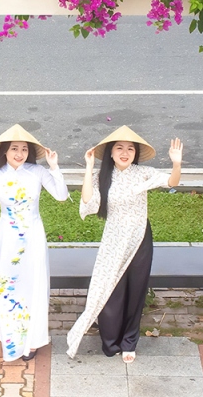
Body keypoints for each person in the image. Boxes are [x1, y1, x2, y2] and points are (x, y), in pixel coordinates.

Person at [65, 126, 183, 362]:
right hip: (114, 239)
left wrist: (176, 163)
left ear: (135, 153)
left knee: (136, 290)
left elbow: (171, 181)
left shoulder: (142, 173)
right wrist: (89, 167)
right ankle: (110, 341)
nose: (125, 153)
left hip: (140, 237)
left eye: (130, 149)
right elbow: (88, 201)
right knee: (110, 290)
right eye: (119, 148)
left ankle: (129, 342)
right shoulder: (102, 177)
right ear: (110, 152)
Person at [0, 124, 69, 362]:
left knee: (34, 285)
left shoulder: (37, 172)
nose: (20, 153)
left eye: (24, 149)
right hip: (8, 237)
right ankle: (12, 341)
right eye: (14, 148)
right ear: (5, 151)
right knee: (10, 286)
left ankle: (33, 341)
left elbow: (61, 196)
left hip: (34, 237)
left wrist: (54, 167)